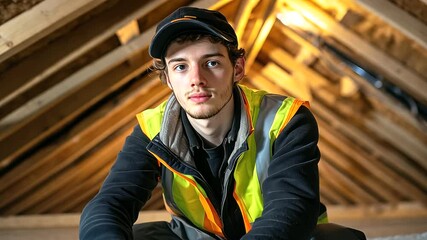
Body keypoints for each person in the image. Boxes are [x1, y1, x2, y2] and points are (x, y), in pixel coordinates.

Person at [79, 6, 366, 240]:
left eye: (212, 63)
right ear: (167, 79)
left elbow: (291, 209)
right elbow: (110, 203)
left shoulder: (286, 119)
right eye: (181, 66)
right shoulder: (152, 130)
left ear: (237, 68)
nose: (196, 79)